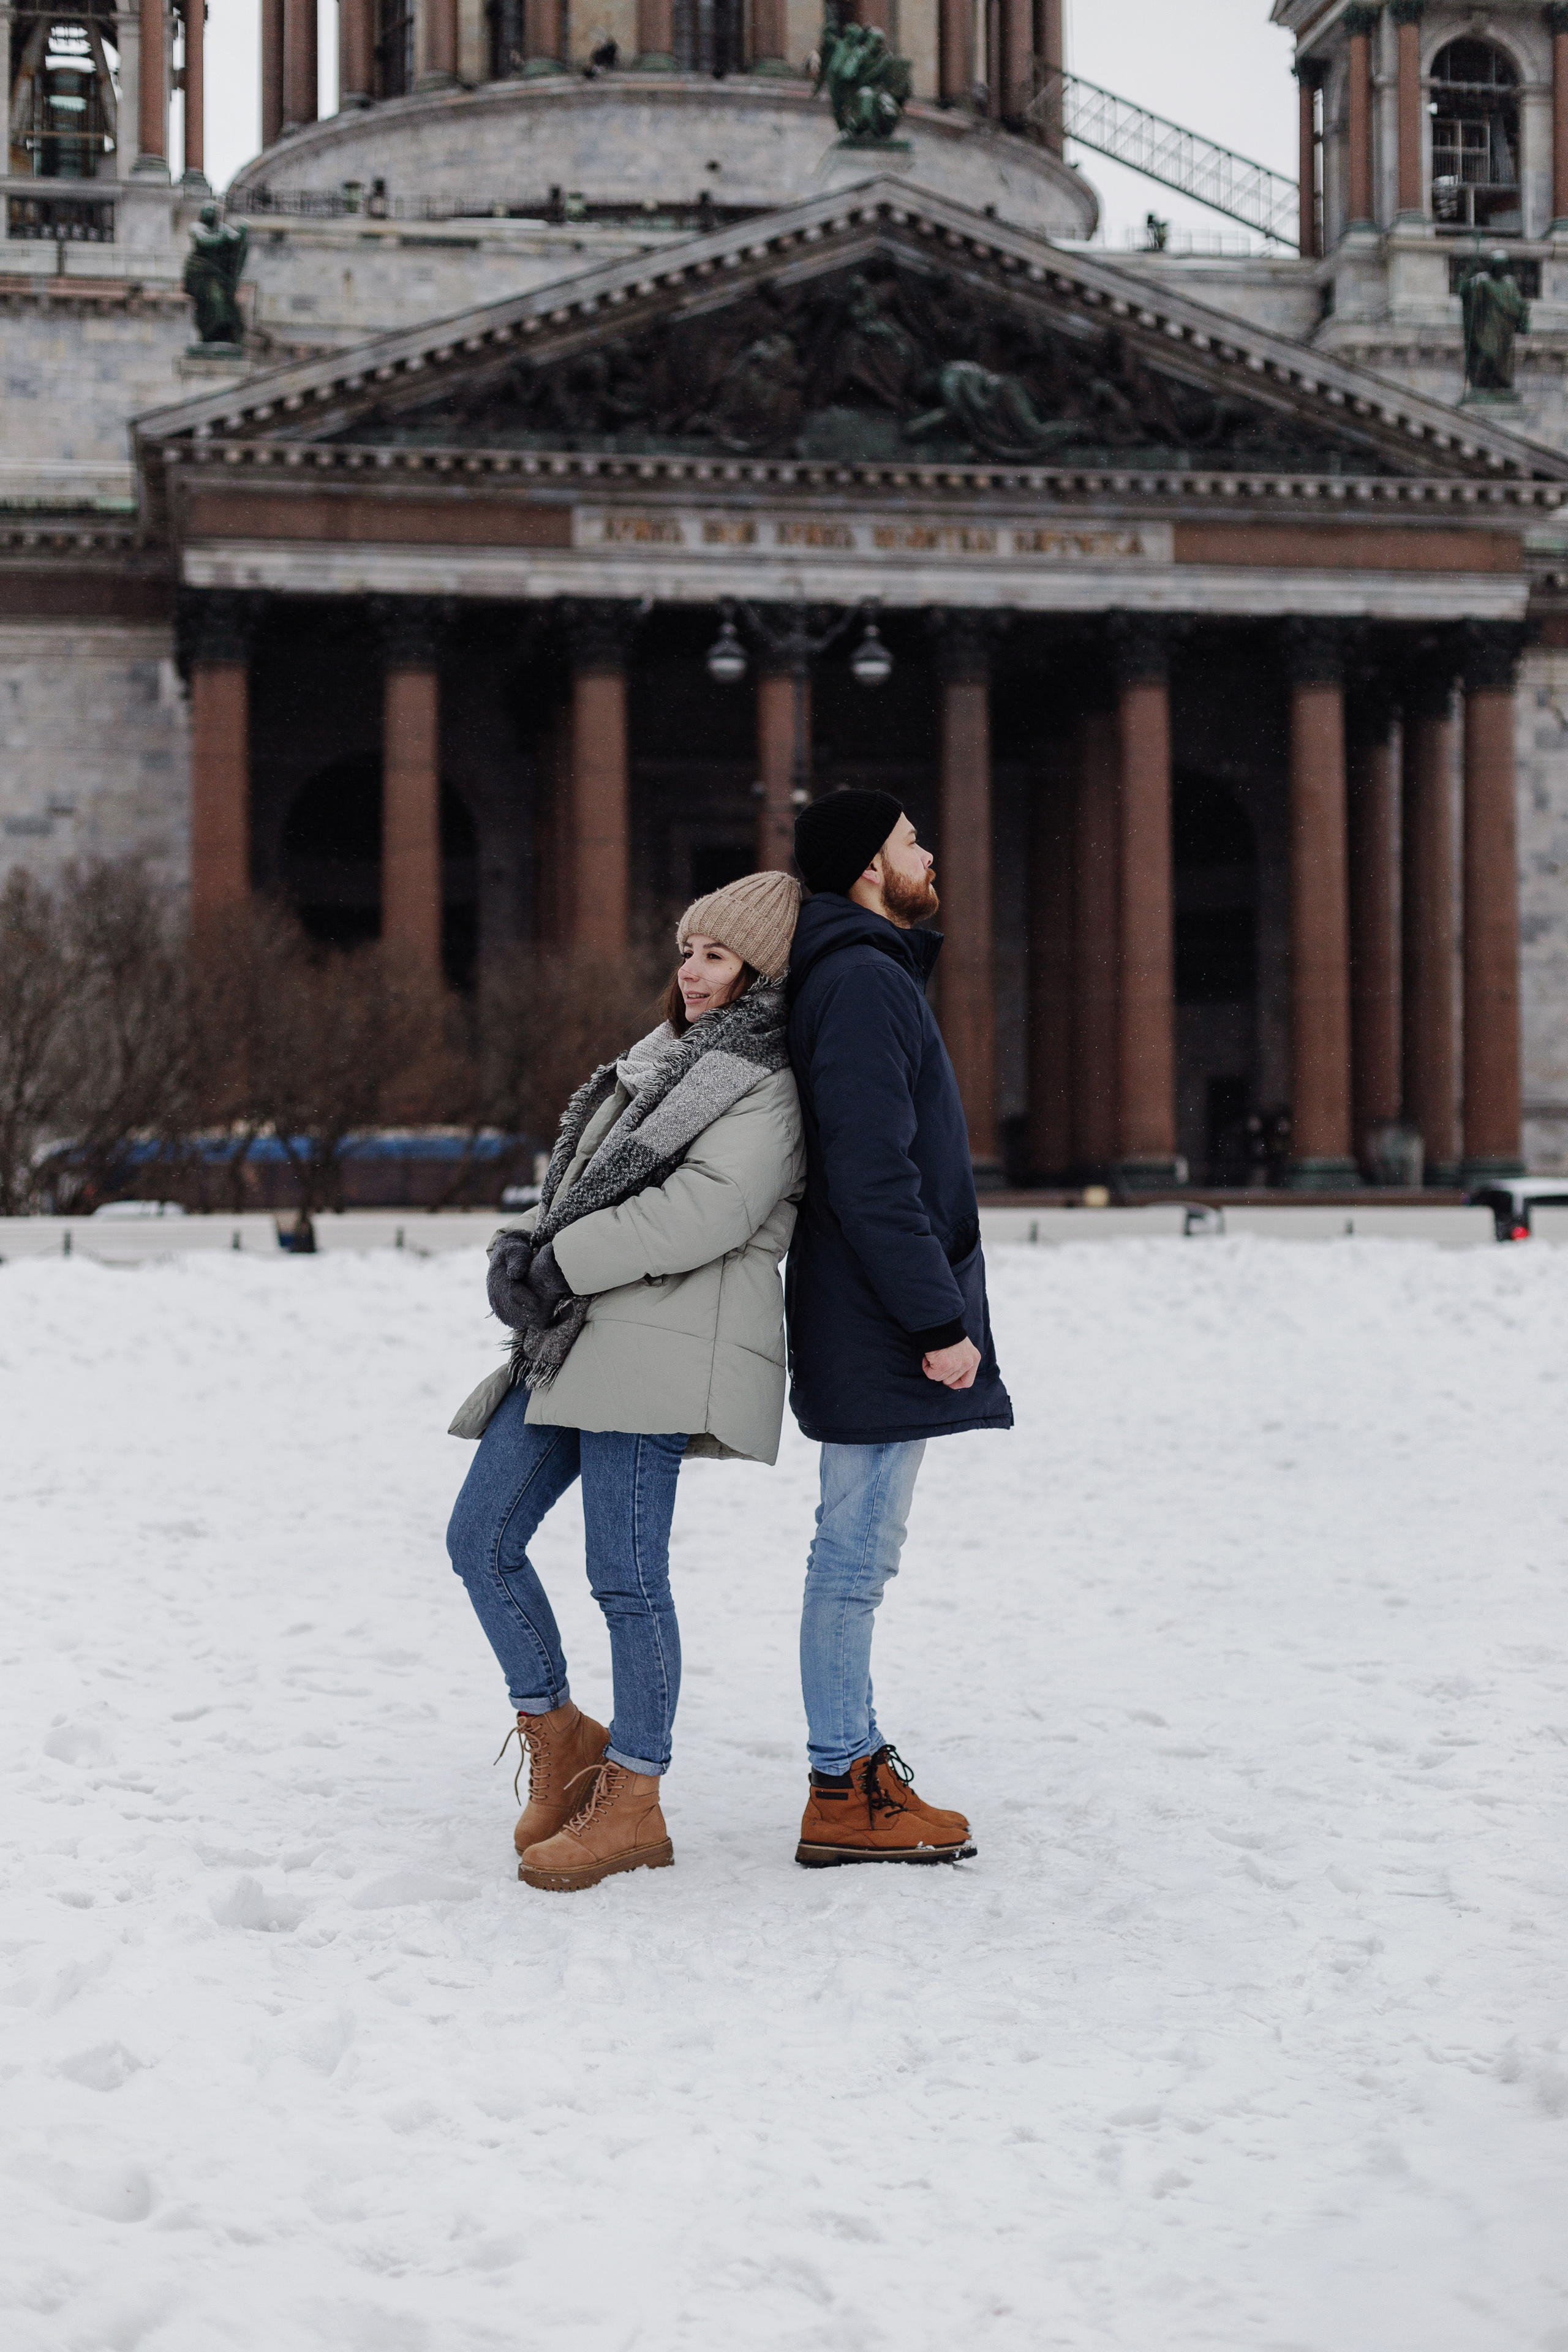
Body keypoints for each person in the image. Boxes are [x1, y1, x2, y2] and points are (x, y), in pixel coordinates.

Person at [446, 871, 805, 1893]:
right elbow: (568, 1188)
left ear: (761, 973)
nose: (692, 973)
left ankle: (636, 1795)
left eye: (718, 956)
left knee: (626, 1576)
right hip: (579, 1335)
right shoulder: (656, 1062)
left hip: (660, 1344)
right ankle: (560, 1735)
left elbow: (711, 1210)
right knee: (480, 1538)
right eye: (686, 950)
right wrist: (517, 1248)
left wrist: (560, 1263)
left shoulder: (770, 1085)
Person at [784, 788, 1012, 1867]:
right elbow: (876, 1170)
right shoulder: (868, 979)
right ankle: (843, 1785)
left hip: (865, 1311)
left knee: (858, 1550)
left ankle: (854, 1764)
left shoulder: (857, 972)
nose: (932, 852)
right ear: (872, 866)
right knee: (855, 1556)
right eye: (915, 838)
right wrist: (937, 1316)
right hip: (882, 1318)